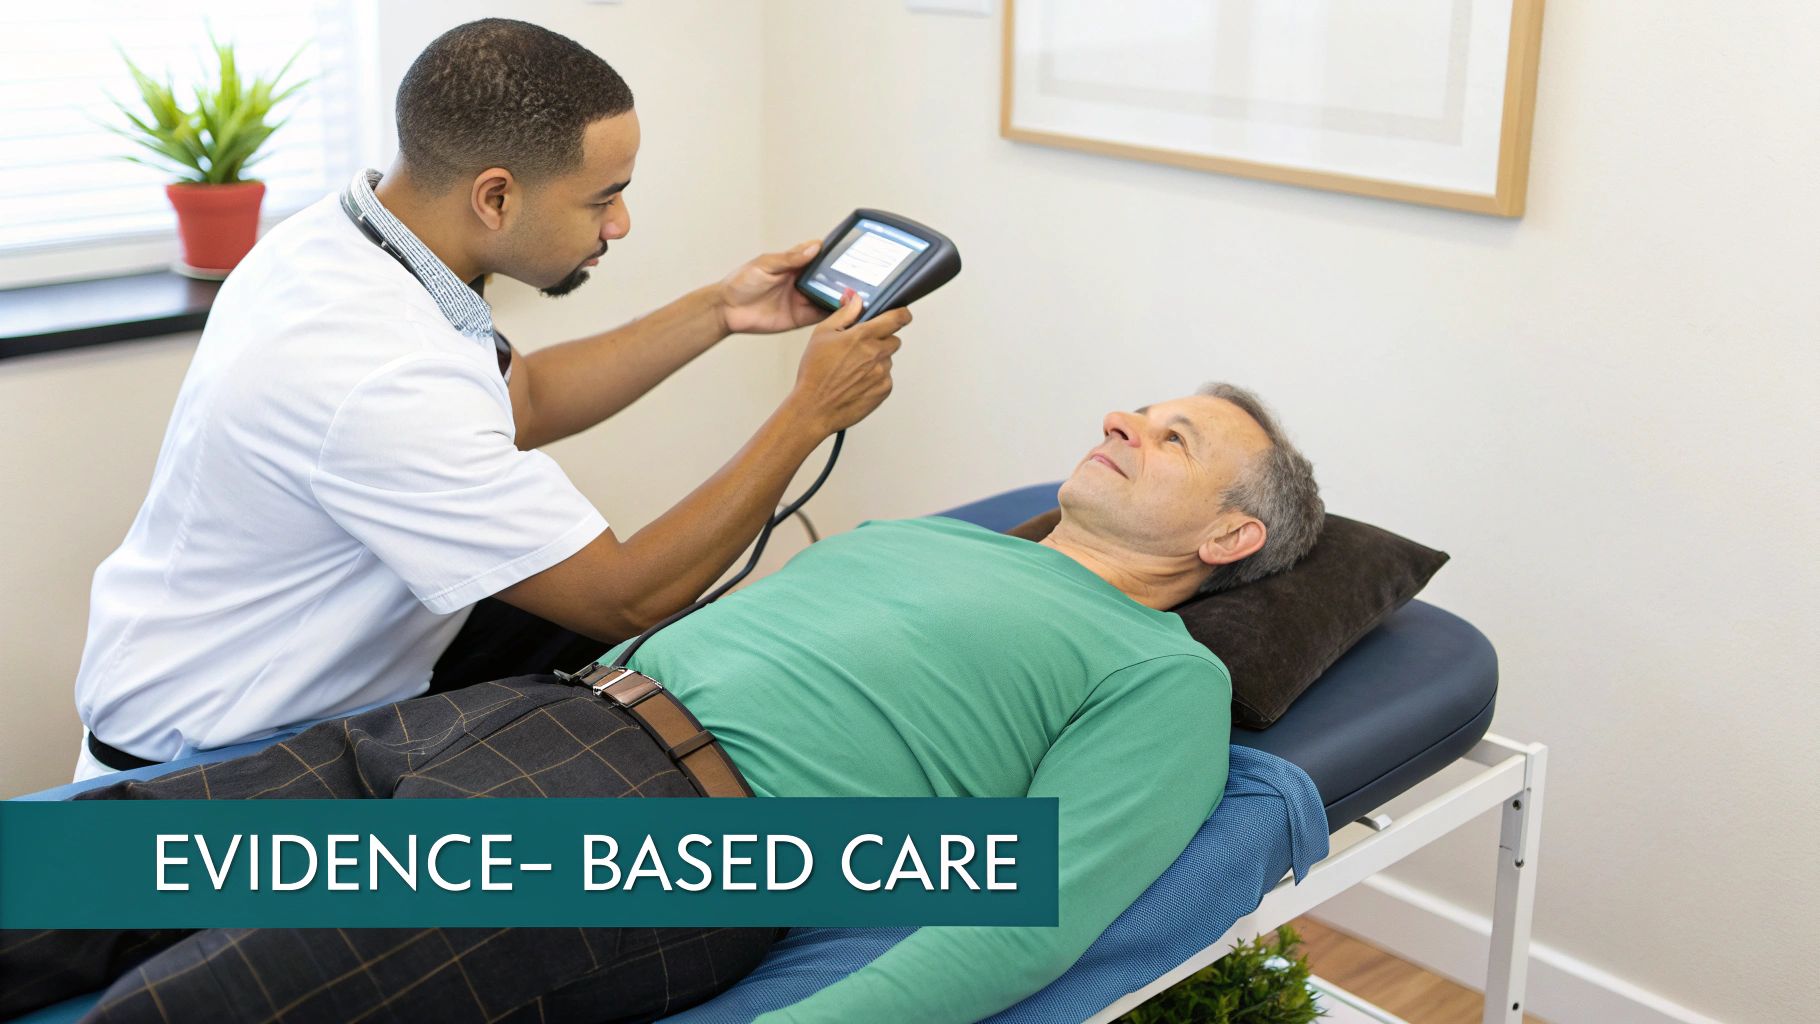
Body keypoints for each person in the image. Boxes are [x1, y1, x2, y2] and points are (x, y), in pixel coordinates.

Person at [7, 384, 1323, 1023]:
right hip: (513, 717)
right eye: (1142, 408)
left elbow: (1025, 921)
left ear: (1222, 540)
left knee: (208, 1002)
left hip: (660, 832)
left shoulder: (1162, 680)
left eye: (1173, 439)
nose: (1125, 421)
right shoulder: (946, 542)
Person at [71, 18, 912, 781]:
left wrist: (720, 310)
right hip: (206, 766)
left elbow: (528, 395)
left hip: (283, 684)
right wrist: (810, 412)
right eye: (602, 197)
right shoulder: (377, 369)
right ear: (497, 196)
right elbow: (622, 592)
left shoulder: (350, 240)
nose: (619, 223)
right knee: (627, 644)